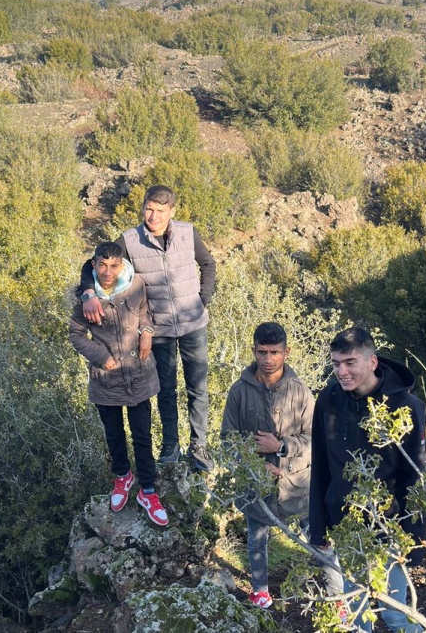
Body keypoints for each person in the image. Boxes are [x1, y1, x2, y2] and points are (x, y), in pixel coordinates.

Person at [77, 185, 217, 472]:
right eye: (149, 209)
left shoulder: (188, 233)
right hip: (159, 329)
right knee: (166, 389)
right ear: (143, 208)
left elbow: (208, 264)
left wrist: (203, 299)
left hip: (193, 324)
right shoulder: (130, 240)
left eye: (161, 211)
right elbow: (92, 265)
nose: (153, 216)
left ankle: (199, 446)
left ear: (172, 212)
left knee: (197, 387)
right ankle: (170, 446)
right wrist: (88, 294)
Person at [308, 327, 426, 632]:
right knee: (357, 609)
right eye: (335, 363)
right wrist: (318, 528)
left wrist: (413, 538)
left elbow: (414, 475)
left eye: (349, 362)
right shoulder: (328, 399)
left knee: (396, 613)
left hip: (389, 526)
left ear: (372, 361)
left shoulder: (406, 407)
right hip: (346, 526)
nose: (341, 371)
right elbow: (320, 464)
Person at [69, 242, 169, 527]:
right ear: (94, 265)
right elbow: (75, 335)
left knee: (143, 436)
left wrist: (147, 332)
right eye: (102, 265)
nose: (108, 271)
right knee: (114, 434)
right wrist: (101, 357)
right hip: (106, 381)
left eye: (114, 265)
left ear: (122, 264)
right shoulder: (85, 301)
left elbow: (146, 313)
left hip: (139, 374)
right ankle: (123, 477)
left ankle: (148, 490)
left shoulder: (136, 284)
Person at [221, 322, 314, 609]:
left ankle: (338, 596)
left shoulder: (301, 392)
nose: (268, 359)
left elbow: (316, 440)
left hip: (298, 485)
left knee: (318, 540)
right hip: (254, 486)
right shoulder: (238, 391)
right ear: (254, 351)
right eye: (262, 351)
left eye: (275, 352)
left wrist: (282, 446)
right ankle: (260, 591)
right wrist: (252, 465)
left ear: (286, 352)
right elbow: (228, 439)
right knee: (256, 540)